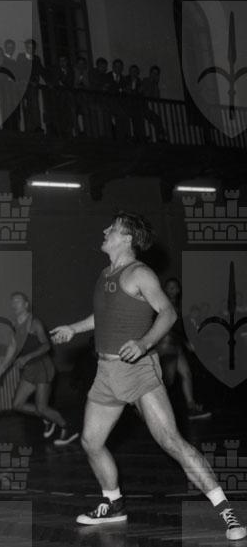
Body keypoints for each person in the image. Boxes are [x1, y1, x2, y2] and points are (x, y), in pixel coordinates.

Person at [50, 212, 246, 540]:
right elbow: (102, 317)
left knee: (171, 441)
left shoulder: (139, 273)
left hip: (138, 370)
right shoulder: (106, 273)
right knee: (91, 442)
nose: (105, 230)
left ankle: (227, 513)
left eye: (112, 228)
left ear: (127, 238)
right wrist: (73, 328)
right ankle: (113, 504)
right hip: (107, 372)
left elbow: (168, 313)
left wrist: (143, 343)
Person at [5, 292, 78, 445]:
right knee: (17, 405)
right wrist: (3, 367)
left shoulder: (34, 323)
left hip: (42, 367)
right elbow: (12, 347)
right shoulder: (14, 324)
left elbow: (46, 345)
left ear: (26, 304)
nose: (14, 304)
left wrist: (27, 357)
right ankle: (48, 418)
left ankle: (68, 428)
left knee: (42, 408)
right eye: (13, 302)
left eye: (18, 301)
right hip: (29, 370)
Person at [156, 277, 211, 420]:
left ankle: (191, 407)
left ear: (179, 290)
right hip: (166, 345)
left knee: (186, 374)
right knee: (167, 380)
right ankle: (151, 410)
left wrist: (186, 341)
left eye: (175, 287)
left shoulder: (178, 306)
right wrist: (186, 342)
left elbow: (180, 327)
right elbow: (169, 327)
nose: (172, 290)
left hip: (176, 345)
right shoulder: (162, 303)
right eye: (169, 287)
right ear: (165, 289)